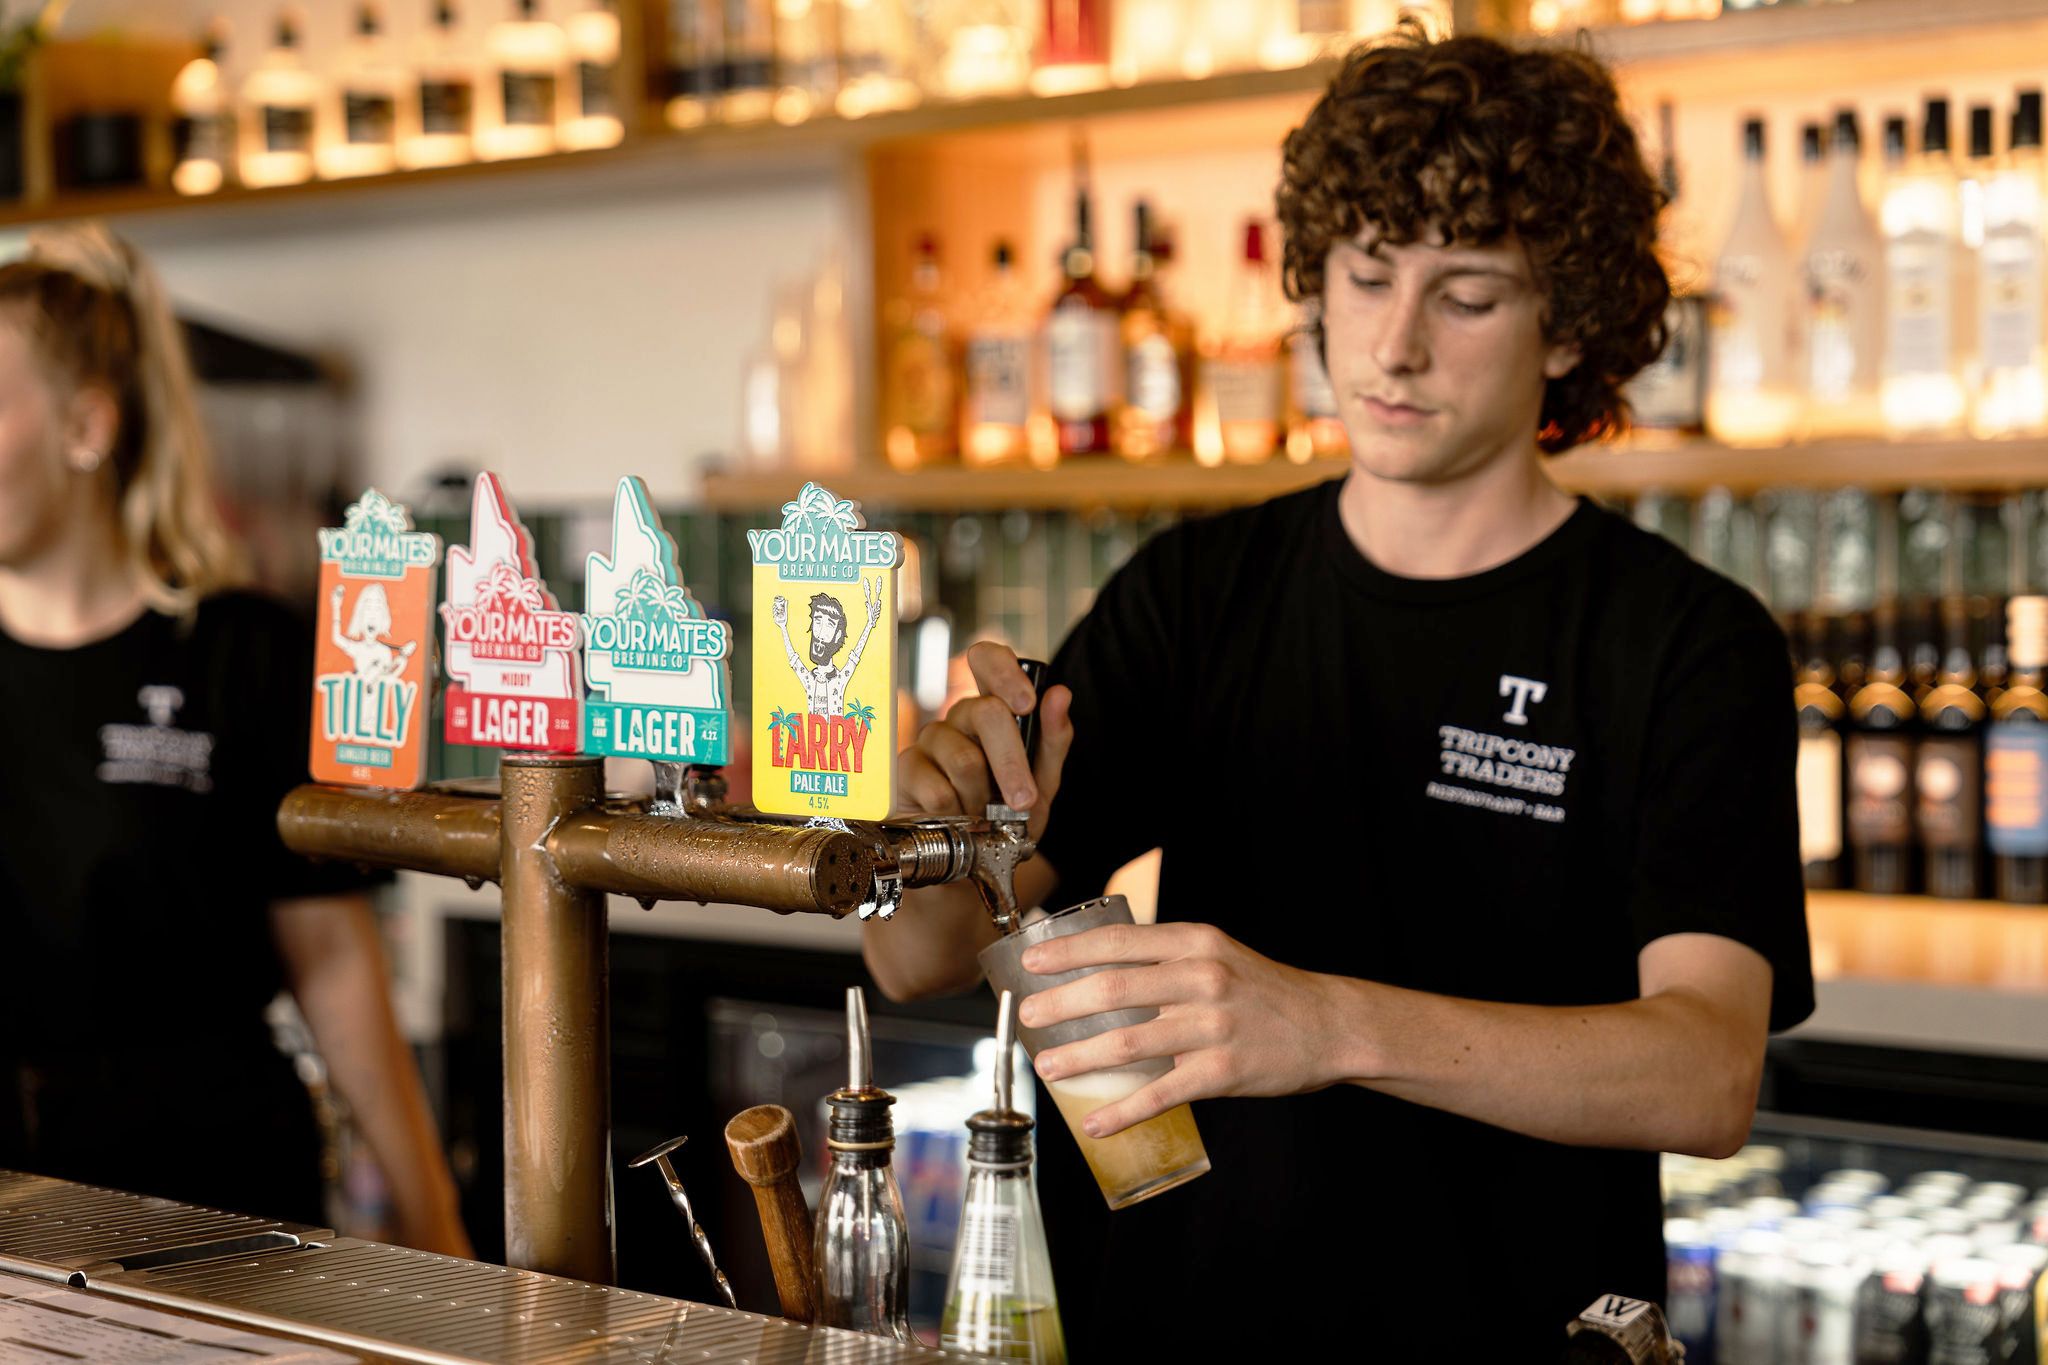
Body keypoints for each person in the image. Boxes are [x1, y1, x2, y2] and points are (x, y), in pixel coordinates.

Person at [868, 29, 1813, 1358]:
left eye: (1468, 295)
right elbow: (912, 960)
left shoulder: (1685, 642)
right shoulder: (1199, 590)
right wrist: (943, 820)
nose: (1395, 343)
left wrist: (1323, 1022)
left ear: (1569, 328)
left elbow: (1708, 1072)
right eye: (1365, 276)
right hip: (1176, 1324)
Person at [0, 223, 472, 1257]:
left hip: (208, 1207)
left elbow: (333, 961)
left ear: (86, 427)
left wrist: (437, 1231)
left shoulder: (239, 654)